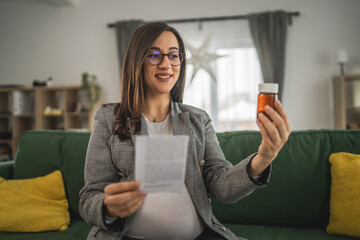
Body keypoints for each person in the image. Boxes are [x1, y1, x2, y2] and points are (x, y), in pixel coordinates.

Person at [79, 22, 291, 240]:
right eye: (154, 55)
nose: (166, 64)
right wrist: (108, 207)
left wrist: (264, 157)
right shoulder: (107, 118)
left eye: (173, 55)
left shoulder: (198, 119)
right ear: (137, 61)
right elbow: (88, 199)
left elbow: (221, 185)